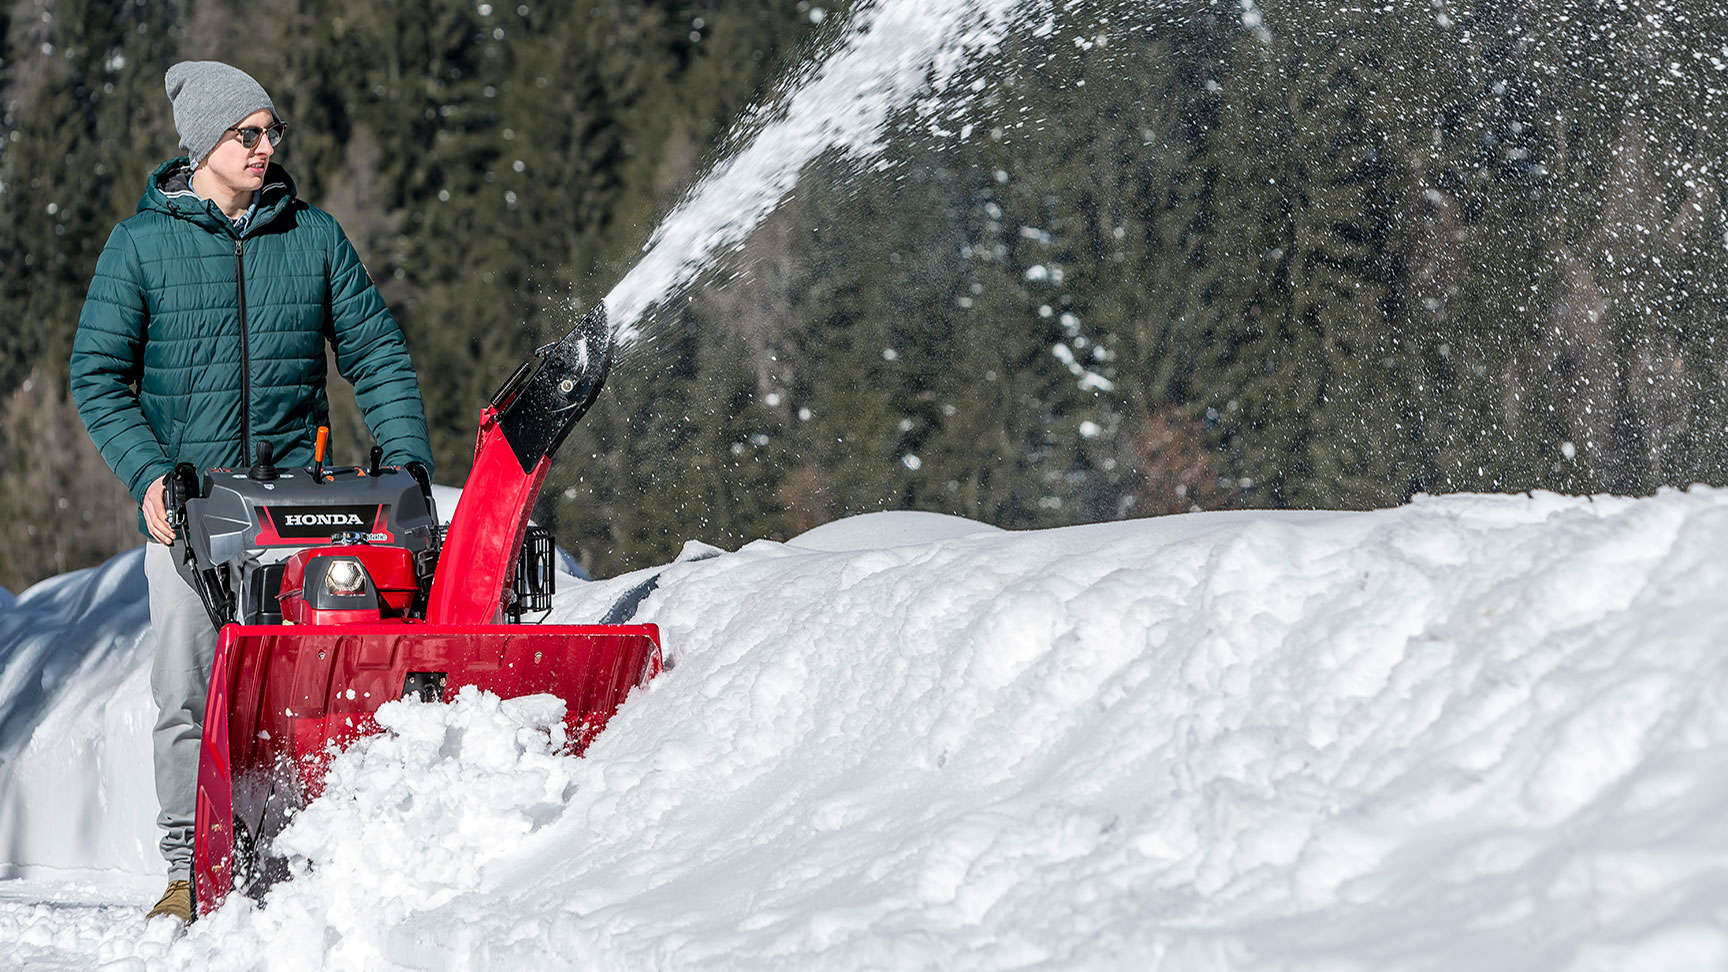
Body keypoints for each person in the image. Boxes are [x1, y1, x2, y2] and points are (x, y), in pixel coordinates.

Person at [69, 61, 434, 923]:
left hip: (302, 510)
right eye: (249, 133)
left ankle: (319, 849)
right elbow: (97, 377)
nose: (266, 146)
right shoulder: (140, 245)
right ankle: (187, 868)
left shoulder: (313, 237)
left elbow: (376, 353)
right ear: (205, 142)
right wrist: (150, 474)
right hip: (191, 515)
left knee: (317, 683)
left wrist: (408, 460)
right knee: (187, 692)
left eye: (272, 132)